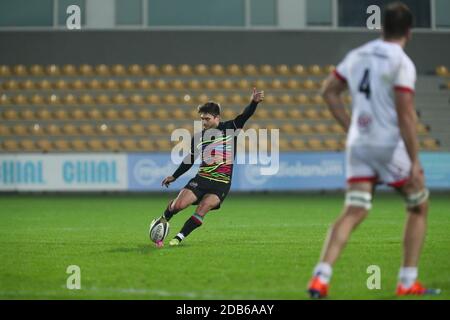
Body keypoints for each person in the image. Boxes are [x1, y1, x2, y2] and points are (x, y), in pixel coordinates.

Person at [307, 2, 440, 298]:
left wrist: (351, 125)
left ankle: (320, 277)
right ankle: (407, 282)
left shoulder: (357, 55)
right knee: (419, 204)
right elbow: (406, 115)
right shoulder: (402, 63)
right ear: (409, 31)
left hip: (359, 144)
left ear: (382, 27)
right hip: (388, 144)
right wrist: (415, 161)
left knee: (354, 209)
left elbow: (328, 92)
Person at [152, 88, 264, 247]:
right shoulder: (198, 137)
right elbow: (190, 159)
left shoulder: (230, 127)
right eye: (202, 119)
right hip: (201, 179)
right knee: (178, 205)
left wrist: (253, 102)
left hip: (221, 183)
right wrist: (174, 176)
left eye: (207, 119)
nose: (203, 122)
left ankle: (178, 238)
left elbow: (246, 115)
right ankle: (163, 220)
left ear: (217, 118)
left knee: (203, 208)